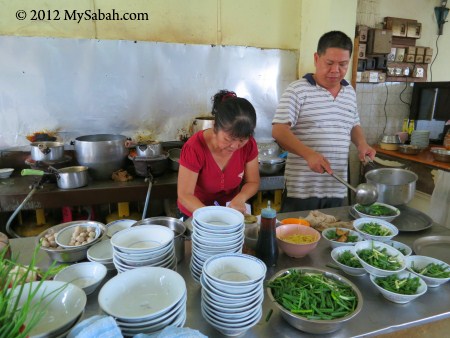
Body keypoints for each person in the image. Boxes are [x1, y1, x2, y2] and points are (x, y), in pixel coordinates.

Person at [271, 31, 376, 212]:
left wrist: (362, 144)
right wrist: (308, 154)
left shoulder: (349, 91)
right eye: (329, 63)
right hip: (302, 190)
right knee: (297, 237)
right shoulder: (297, 90)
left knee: (334, 237)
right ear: (316, 58)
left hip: (337, 188)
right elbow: (279, 131)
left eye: (343, 64)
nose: (336, 70)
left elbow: (353, 124)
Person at [177, 90, 260, 218]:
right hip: (196, 214)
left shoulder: (249, 146)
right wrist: (211, 216)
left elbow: (253, 182)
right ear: (215, 127)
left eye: (242, 140)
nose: (235, 146)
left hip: (229, 214)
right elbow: (185, 195)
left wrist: (240, 198)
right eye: (229, 139)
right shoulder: (194, 147)